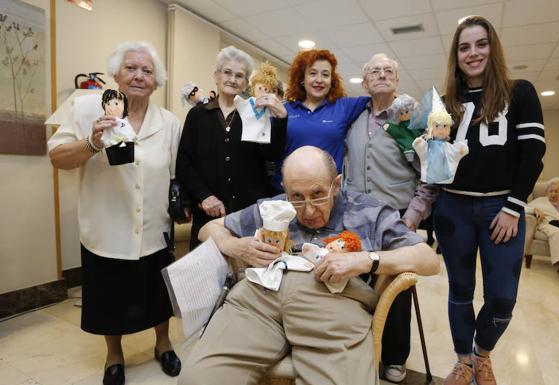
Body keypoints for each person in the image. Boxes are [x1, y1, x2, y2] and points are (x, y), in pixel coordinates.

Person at [178, 146, 440, 385]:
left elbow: (427, 260)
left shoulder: (370, 212)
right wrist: (236, 246)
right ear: (285, 189)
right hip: (257, 302)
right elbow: (209, 229)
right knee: (196, 379)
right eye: (297, 197)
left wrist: (364, 260)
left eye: (317, 195)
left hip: (332, 307)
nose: (309, 210)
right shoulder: (274, 207)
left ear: (336, 185)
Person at [48, 41, 182, 385]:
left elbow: (177, 174)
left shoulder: (168, 122)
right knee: (109, 297)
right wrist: (92, 142)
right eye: (131, 68)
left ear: (157, 81)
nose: (139, 76)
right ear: (116, 74)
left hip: (154, 228)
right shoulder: (85, 108)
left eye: (147, 71)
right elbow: (57, 157)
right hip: (106, 228)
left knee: (158, 294)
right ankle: (114, 354)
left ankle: (163, 343)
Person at [436, 16, 546, 385]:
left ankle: (483, 353)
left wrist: (514, 207)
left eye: (480, 44)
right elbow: (438, 163)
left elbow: (533, 155)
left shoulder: (521, 92)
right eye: (464, 47)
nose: (473, 53)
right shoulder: (445, 101)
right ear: (456, 55)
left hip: (502, 208)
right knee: (460, 291)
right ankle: (464, 361)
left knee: (502, 299)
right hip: (453, 208)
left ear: (492, 47)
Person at [343, 53, 439, 383]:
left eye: (388, 71)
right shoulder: (354, 119)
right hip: (356, 218)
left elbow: (429, 176)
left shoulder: (409, 118)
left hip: (397, 218)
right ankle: (361, 349)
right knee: (356, 286)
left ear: (397, 81)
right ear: (365, 81)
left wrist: (411, 218)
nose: (381, 75)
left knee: (395, 290)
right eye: (374, 71)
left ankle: (395, 357)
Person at [176, 46, 288, 250]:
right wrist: (204, 196)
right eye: (227, 72)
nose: (232, 79)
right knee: (205, 276)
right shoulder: (197, 116)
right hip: (208, 217)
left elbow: (271, 155)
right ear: (216, 76)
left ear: (246, 83)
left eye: (240, 75)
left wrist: (280, 120)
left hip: (248, 217)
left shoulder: (255, 114)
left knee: (246, 276)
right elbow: (184, 164)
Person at [270, 49, 370, 191]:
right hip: (288, 192)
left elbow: (379, 99)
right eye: (312, 73)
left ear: (331, 81)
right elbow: (271, 151)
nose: (319, 80)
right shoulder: (285, 110)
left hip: (326, 194)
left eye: (325, 75)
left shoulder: (344, 107)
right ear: (302, 79)